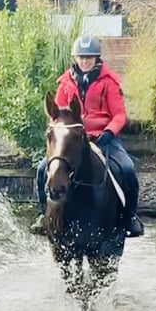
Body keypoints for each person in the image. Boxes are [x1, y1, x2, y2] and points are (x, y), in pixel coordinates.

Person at [31, 35, 144, 238]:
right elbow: (57, 115)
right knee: (42, 170)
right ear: (76, 58)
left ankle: (130, 217)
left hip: (102, 137)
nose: (85, 61)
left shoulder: (109, 82)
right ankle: (43, 214)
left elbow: (119, 114)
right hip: (71, 141)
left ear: (96, 58)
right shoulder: (65, 83)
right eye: (81, 57)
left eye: (89, 58)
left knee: (127, 169)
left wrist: (109, 132)